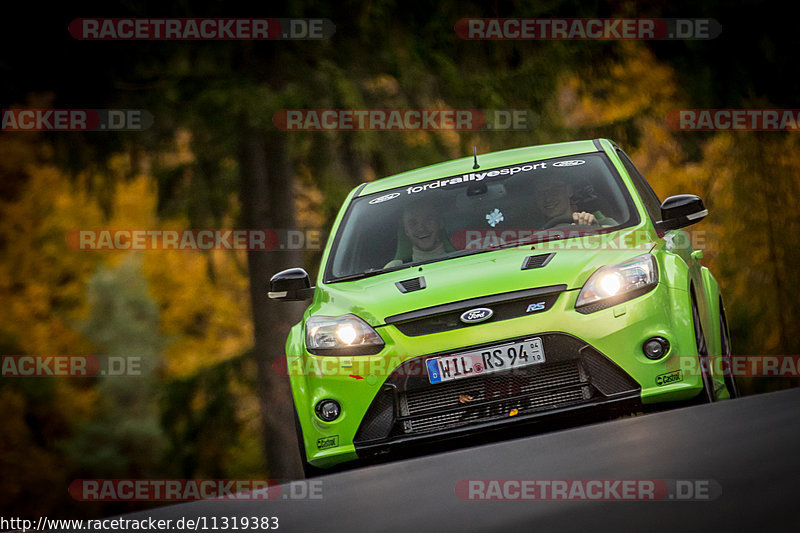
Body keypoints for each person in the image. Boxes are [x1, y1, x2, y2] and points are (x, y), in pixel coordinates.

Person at [384, 202, 452, 268]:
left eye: (428, 219)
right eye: (413, 223)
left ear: (440, 223)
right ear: (406, 231)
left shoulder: (461, 261)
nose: (421, 228)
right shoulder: (394, 268)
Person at [533, 177, 616, 227]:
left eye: (554, 190)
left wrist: (595, 229)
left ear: (569, 191)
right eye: (540, 192)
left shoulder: (600, 221)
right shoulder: (528, 235)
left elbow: (622, 238)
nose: (548, 198)